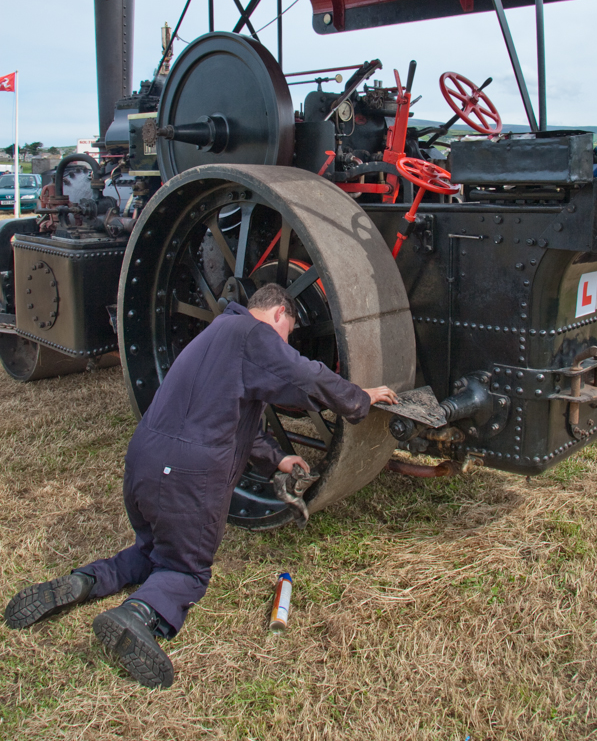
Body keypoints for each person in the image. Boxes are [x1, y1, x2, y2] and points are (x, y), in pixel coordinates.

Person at [4, 283, 397, 689]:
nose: (286, 342)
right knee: (187, 570)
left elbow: (231, 412)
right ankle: (138, 614)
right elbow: (303, 374)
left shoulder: (216, 334)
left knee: (153, 550)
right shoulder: (255, 335)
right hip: (187, 474)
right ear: (279, 313)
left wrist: (277, 458)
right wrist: (360, 398)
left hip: (144, 460)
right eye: (289, 333)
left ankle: (86, 581)